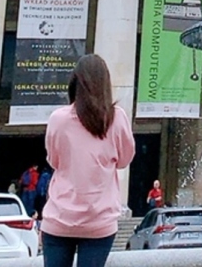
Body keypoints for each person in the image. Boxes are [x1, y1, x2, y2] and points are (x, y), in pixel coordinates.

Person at [40, 53, 135, 267]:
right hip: (99, 221)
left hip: (60, 218)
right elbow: (124, 160)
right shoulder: (117, 118)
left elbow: (54, 161)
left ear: (75, 82)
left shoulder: (58, 119)